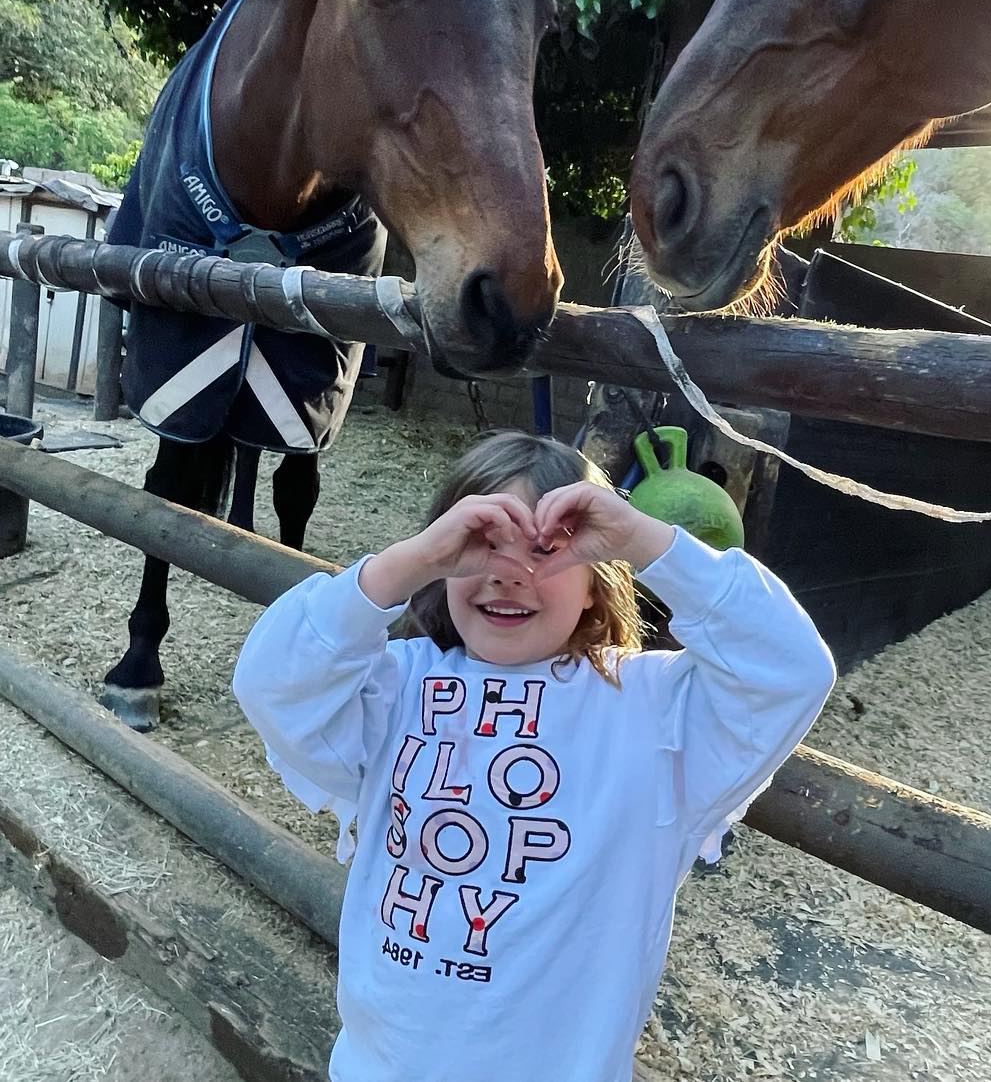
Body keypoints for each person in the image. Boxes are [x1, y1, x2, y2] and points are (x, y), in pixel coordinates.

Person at [233, 430, 835, 1082]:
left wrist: (644, 541)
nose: (511, 574)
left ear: (596, 580)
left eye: (549, 551)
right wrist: (406, 564)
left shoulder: (654, 708)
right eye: (483, 545)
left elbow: (791, 669)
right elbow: (270, 681)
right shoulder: (394, 685)